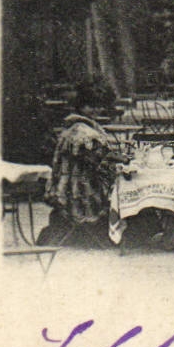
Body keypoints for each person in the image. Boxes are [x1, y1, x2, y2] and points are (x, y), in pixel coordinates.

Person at [37, 87, 129, 248]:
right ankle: (121, 234)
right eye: (90, 106)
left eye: (98, 106)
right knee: (123, 190)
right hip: (79, 191)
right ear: (81, 107)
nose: (96, 110)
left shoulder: (73, 127)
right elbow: (102, 157)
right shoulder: (83, 132)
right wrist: (125, 159)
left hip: (63, 189)